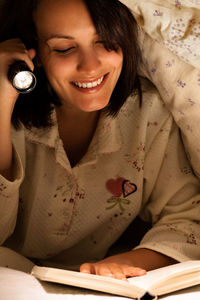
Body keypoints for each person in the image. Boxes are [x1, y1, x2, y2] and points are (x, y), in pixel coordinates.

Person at [0, 0, 199, 280]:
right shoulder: (8, 113)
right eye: (65, 48)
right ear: (33, 52)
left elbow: (188, 220)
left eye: (106, 41)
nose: (91, 66)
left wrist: (128, 261)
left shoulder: (150, 115)